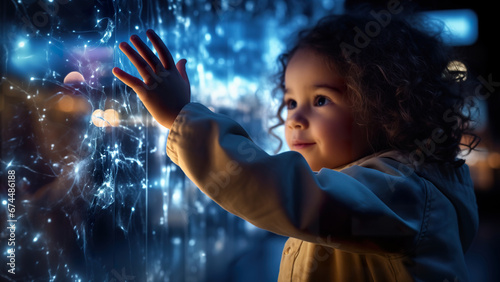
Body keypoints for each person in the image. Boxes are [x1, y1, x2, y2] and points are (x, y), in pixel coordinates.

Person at [112, 4, 480, 281]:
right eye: (290, 102)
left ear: (388, 107)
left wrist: (181, 116)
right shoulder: (365, 190)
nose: (295, 118)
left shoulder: (403, 194)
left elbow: (282, 191)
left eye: (321, 100)